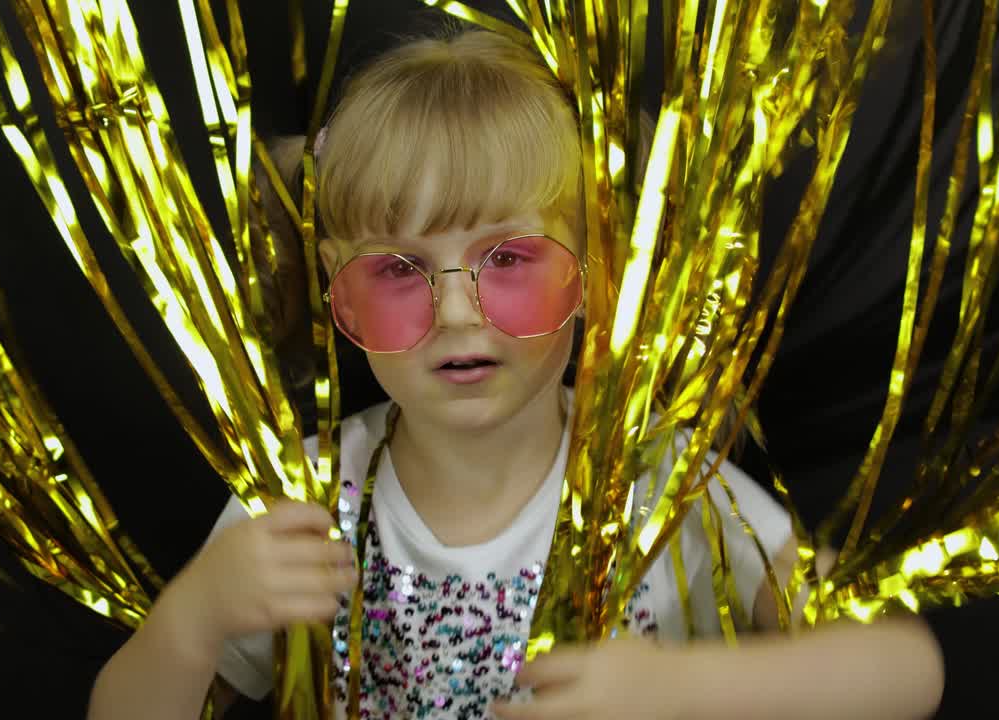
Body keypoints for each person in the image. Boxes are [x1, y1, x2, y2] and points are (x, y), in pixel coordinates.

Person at [87, 28, 944, 720]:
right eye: (397, 270)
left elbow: (904, 671)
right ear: (335, 295)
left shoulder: (656, 482)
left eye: (508, 259)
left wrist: (679, 692)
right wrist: (193, 619)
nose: (457, 312)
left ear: (593, 272)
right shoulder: (305, 499)